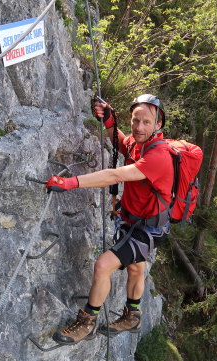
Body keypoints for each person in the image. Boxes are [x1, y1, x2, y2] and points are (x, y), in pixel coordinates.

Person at [46, 94, 174, 345]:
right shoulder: (141, 144)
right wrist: (109, 121)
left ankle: (87, 322)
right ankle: (133, 315)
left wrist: (71, 183)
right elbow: (124, 142)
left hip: (148, 228)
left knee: (103, 265)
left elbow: (115, 175)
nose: (139, 127)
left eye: (146, 122)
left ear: (158, 125)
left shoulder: (159, 157)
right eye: (135, 121)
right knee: (136, 267)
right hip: (135, 221)